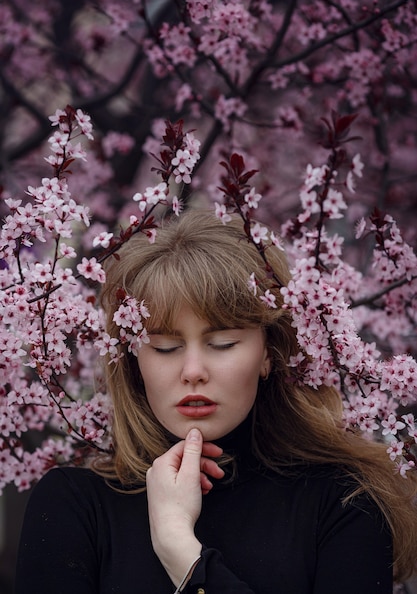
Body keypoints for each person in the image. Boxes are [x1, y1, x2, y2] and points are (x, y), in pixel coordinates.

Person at [16, 210, 417, 593]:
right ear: (134, 360)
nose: (193, 371)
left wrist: (184, 555)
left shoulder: (346, 502)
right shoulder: (74, 506)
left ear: (267, 353)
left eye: (222, 343)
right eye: (166, 347)